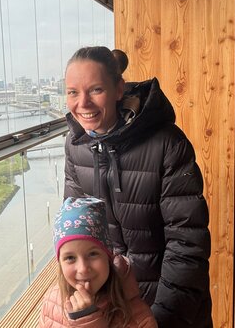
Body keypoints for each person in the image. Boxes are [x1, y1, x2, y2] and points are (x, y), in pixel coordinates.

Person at [63, 47, 212, 328]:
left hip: (173, 304)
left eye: (95, 90)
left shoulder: (168, 143)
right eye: (73, 92)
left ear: (119, 89)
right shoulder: (75, 146)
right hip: (113, 304)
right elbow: (75, 233)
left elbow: (187, 241)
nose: (83, 103)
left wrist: (163, 317)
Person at [39, 196, 157, 328]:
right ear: (60, 263)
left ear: (108, 256)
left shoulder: (139, 318)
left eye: (93, 254)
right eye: (70, 258)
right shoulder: (52, 302)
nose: (83, 268)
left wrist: (89, 322)